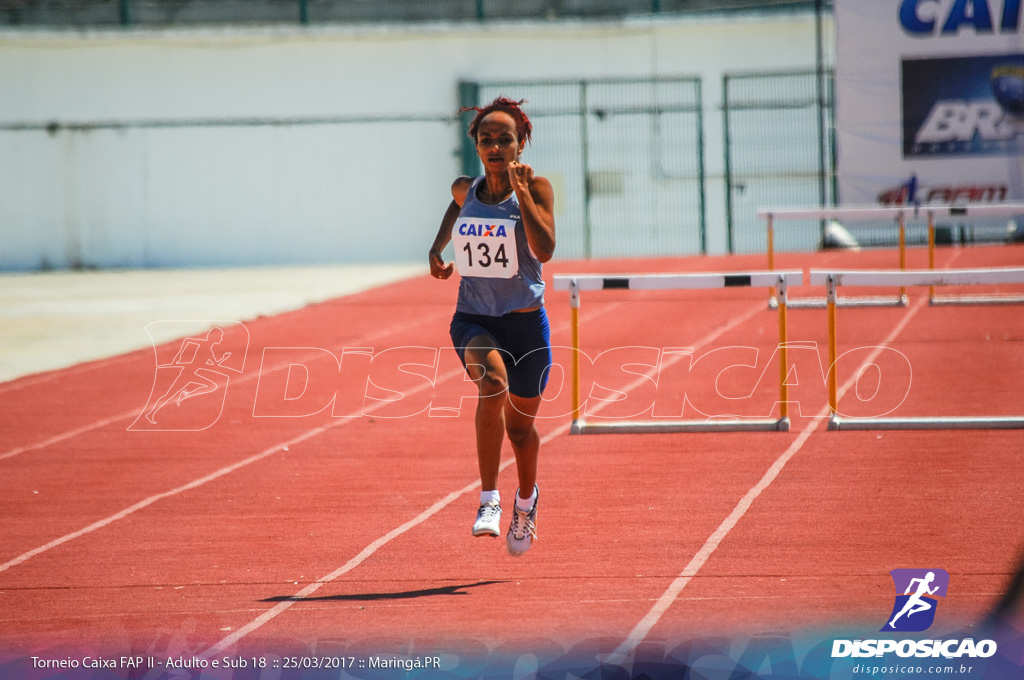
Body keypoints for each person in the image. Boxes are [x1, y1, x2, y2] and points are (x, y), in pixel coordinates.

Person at [428, 97, 556, 556]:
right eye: (487, 140)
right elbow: (455, 203)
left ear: (521, 144)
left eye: (505, 139)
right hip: (474, 318)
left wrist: (521, 194)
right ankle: (489, 499)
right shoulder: (468, 188)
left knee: (521, 432)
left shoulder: (537, 187)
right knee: (492, 384)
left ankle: (527, 500)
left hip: (526, 326)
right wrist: (437, 248)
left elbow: (544, 250)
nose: (496, 147)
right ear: (477, 147)